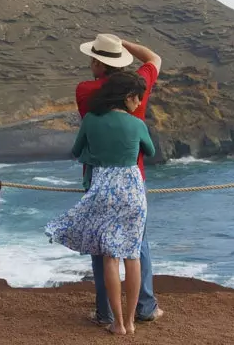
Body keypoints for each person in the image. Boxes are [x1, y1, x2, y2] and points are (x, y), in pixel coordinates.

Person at [45, 72, 156, 335]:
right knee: (133, 256)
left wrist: (94, 155)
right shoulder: (136, 122)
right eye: (138, 98)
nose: (140, 103)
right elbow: (150, 151)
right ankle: (131, 322)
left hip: (103, 187)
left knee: (110, 257)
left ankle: (117, 323)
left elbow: (76, 151)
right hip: (132, 189)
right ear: (128, 97)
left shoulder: (91, 120)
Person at [75, 34, 164, 325]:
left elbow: (79, 147)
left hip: (97, 177)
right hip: (133, 178)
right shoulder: (137, 87)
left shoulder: (85, 91)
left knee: (102, 245)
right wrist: (122, 44)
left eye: (93, 59)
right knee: (138, 244)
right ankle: (145, 307)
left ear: (100, 63)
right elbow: (154, 58)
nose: (90, 63)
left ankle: (106, 313)